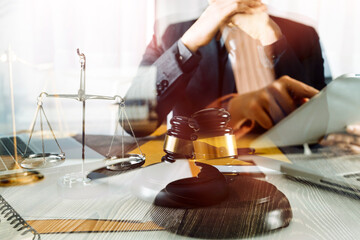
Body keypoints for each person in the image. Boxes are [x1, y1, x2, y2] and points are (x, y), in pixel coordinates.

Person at [129, 0, 360, 151]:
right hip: (196, 171)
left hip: (284, 175)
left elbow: (319, 123)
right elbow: (133, 121)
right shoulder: (174, 34)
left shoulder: (304, 35)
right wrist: (188, 45)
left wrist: (271, 38)